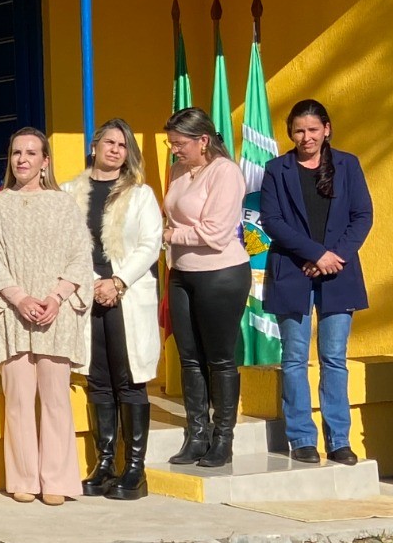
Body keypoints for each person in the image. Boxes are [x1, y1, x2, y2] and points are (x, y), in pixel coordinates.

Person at [0, 127, 94, 505]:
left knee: (56, 397)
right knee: (18, 398)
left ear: (46, 161)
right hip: (13, 313)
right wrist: (19, 298)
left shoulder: (63, 205)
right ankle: (24, 478)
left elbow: (80, 255)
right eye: (16, 153)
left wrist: (57, 297)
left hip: (54, 313)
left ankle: (58, 480)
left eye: (31, 153)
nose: (23, 159)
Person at [260, 99, 373, 466]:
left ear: (326, 129)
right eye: (298, 131)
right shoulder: (277, 169)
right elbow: (273, 220)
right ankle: (302, 438)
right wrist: (314, 254)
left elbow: (362, 216)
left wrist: (331, 257)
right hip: (293, 271)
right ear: (290, 133)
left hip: (338, 273)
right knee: (294, 358)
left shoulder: (348, 165)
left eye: (312, 130)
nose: (305, 137)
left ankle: (339, 439)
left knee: (334, 358)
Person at [61, 120, 163, 501]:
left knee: (130, 379)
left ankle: (134, 470)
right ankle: (104, 463)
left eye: (123, 145)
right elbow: (66, 245)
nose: (116, 149)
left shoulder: (140, 195)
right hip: (88, 295)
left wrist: (117, 281)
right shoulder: (71, 192)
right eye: (110, 142)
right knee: (98, 379)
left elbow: (151, 244)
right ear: (94, 146)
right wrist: (92, 282)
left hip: (128, 294)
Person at [162, 107, 248, 468]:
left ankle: (222, 438)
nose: (174, 150)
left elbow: (214, 234)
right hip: (182, 272)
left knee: (220, 358)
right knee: (189, 357)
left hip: (221, 273)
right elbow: (172, 213)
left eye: (179, 143)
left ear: (203, 140)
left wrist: (168, 235)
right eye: (171, 144)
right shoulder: (180, 170)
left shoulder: (225, 172)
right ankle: (196, 434)